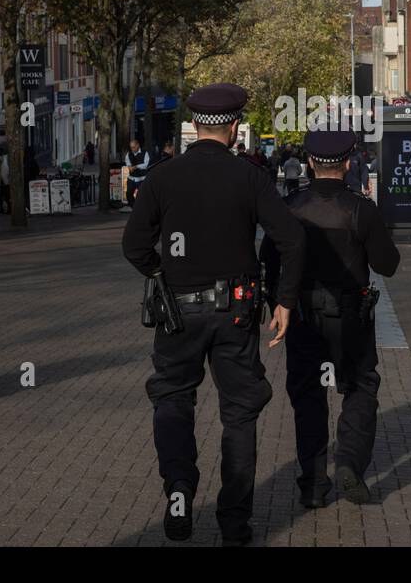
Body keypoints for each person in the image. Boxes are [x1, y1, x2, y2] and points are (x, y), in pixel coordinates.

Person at [122, 83, 306, 546]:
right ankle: (235, 524)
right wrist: (283, 300)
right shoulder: (250, 177)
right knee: (240, 414)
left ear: (194, 126)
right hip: (236, 311)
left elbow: (133, 245)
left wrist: (161, 272)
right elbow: (292, 238)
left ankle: (180, 488)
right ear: (235, 125)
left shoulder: (163, 177)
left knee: (173, 399)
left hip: (178, 314)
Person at [260, 130, 400, 509]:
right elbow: (388, 264)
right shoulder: (359, 209)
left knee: (308, 396)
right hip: (350, 315)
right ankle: (350, 462)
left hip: (303, 315)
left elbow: (269, 263)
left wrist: (279, 304)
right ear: (348, 163)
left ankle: (313, 483)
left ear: (309, 163)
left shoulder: (288, 208)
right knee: (359, 386)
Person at [124, 138, 150, 207]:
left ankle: (141, 208)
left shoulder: (145, 152)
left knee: (142, 195)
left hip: (141, 179)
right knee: (129, 194)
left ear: (138, 145)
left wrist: (136, 167)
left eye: (133, 147)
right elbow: (127, 161)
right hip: (131, 178)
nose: (132, 149)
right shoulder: (129, 153)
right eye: (131, 147)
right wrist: (129, 166)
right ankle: (134, 207)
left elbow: (146, 164)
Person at [0, 147, 11, 214]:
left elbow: (4, 171)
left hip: (5, 181)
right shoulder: (4, 159)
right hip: (4, 181)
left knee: (6, 196)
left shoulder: (4, 159)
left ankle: (7, 209)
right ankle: (5, 208)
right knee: (3, 196)